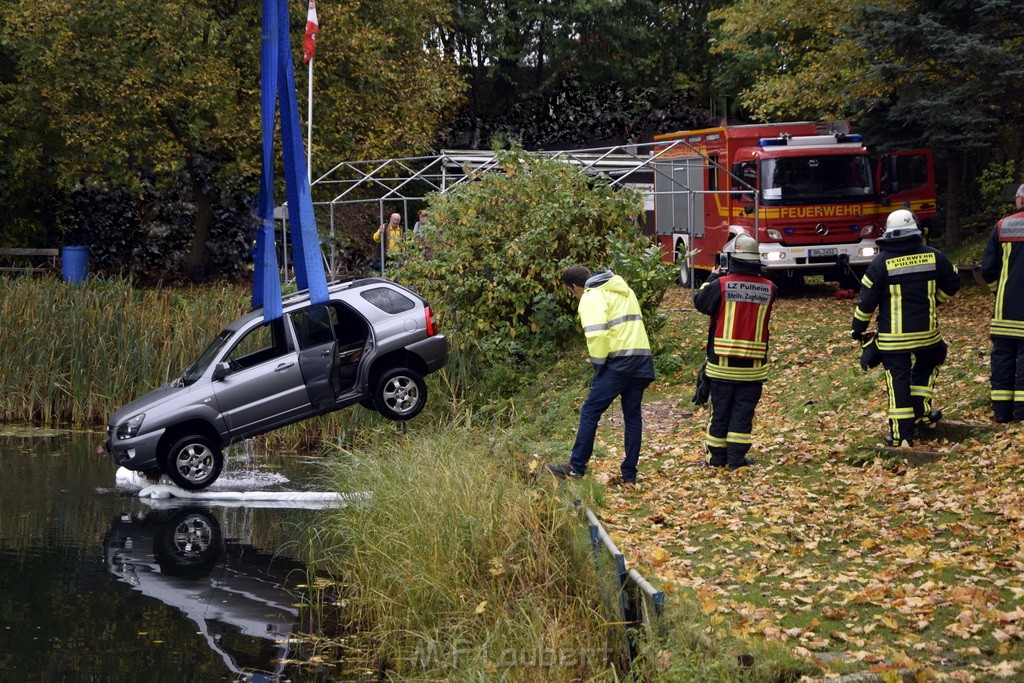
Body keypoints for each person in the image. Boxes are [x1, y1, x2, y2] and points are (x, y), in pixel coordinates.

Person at [851, 208, 961, 446]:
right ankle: (921, 412)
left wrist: (857, 329)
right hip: (928, 335)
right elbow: (954, 281)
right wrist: (934, 301)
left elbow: (866, 301)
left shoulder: (879, 263)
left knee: (898, 382)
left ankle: (903, 435)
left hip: (894, 340)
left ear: (888, 234)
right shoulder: (934, 256)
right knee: (925, 368)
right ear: (915, 231)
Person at [546, 266, 655, 485]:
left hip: (618, 363)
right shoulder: (623, 289)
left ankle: (576, 467)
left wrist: (598, 366)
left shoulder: (591, 296)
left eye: (571, 292)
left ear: (575, 287)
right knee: (632, 417)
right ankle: (630, 474)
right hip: (642, 359)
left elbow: (598, 335)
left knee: (589, 411)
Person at [693, 234, 776, 469]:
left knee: (720, 413)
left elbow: (700, 302)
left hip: (722, 365)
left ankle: (716, 459)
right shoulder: (770, 288)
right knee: (742, 414)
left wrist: (712, 276)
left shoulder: (720, 285)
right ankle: (736, 459)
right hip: (753, 368)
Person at [980, 183, 1024, 422]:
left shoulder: (1002, 226)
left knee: (1003, 359)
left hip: (1005, 311)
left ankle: (1001, 413)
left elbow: (987, 270)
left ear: (1020, 200)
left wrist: (1000, 292)